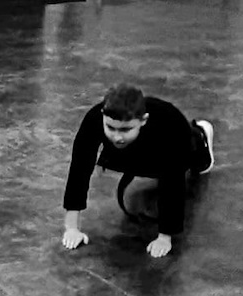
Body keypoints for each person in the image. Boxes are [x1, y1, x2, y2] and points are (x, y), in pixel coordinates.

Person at [60, 83, 215, 258]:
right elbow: (79, 168)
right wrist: (72, 228)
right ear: (103, 116)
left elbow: (173, 180)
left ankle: (201, 133)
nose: (117, 136)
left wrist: (164, 237)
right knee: (122, 157)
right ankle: (133, 145)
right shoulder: (94, 119)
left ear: (144, 120)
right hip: (135, 148)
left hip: (179, 143)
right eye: (111, 128)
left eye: (125, 129)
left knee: (193, 164)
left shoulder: (169, 124)